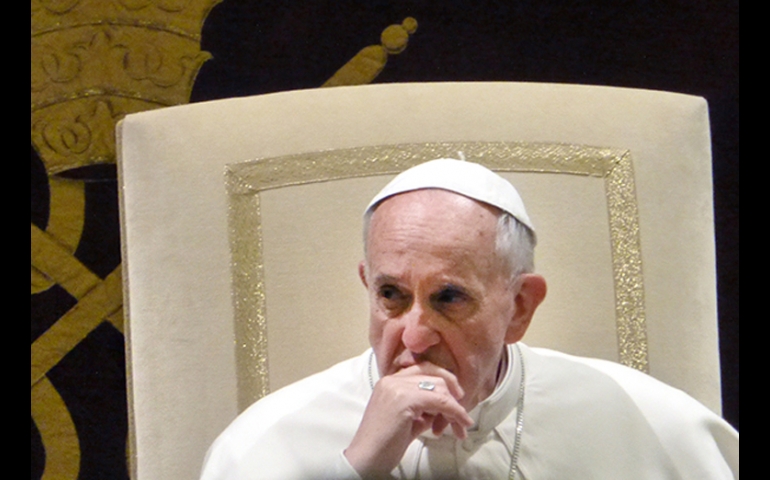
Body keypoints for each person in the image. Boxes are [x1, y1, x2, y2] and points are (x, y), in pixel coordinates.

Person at [199, 159, 739, 479]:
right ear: (367, 285)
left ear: (520, 306)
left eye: (449, 298)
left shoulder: (649, 427)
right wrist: (356, 467)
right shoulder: (264, 445)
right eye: (392, 294)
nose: (412, 334)